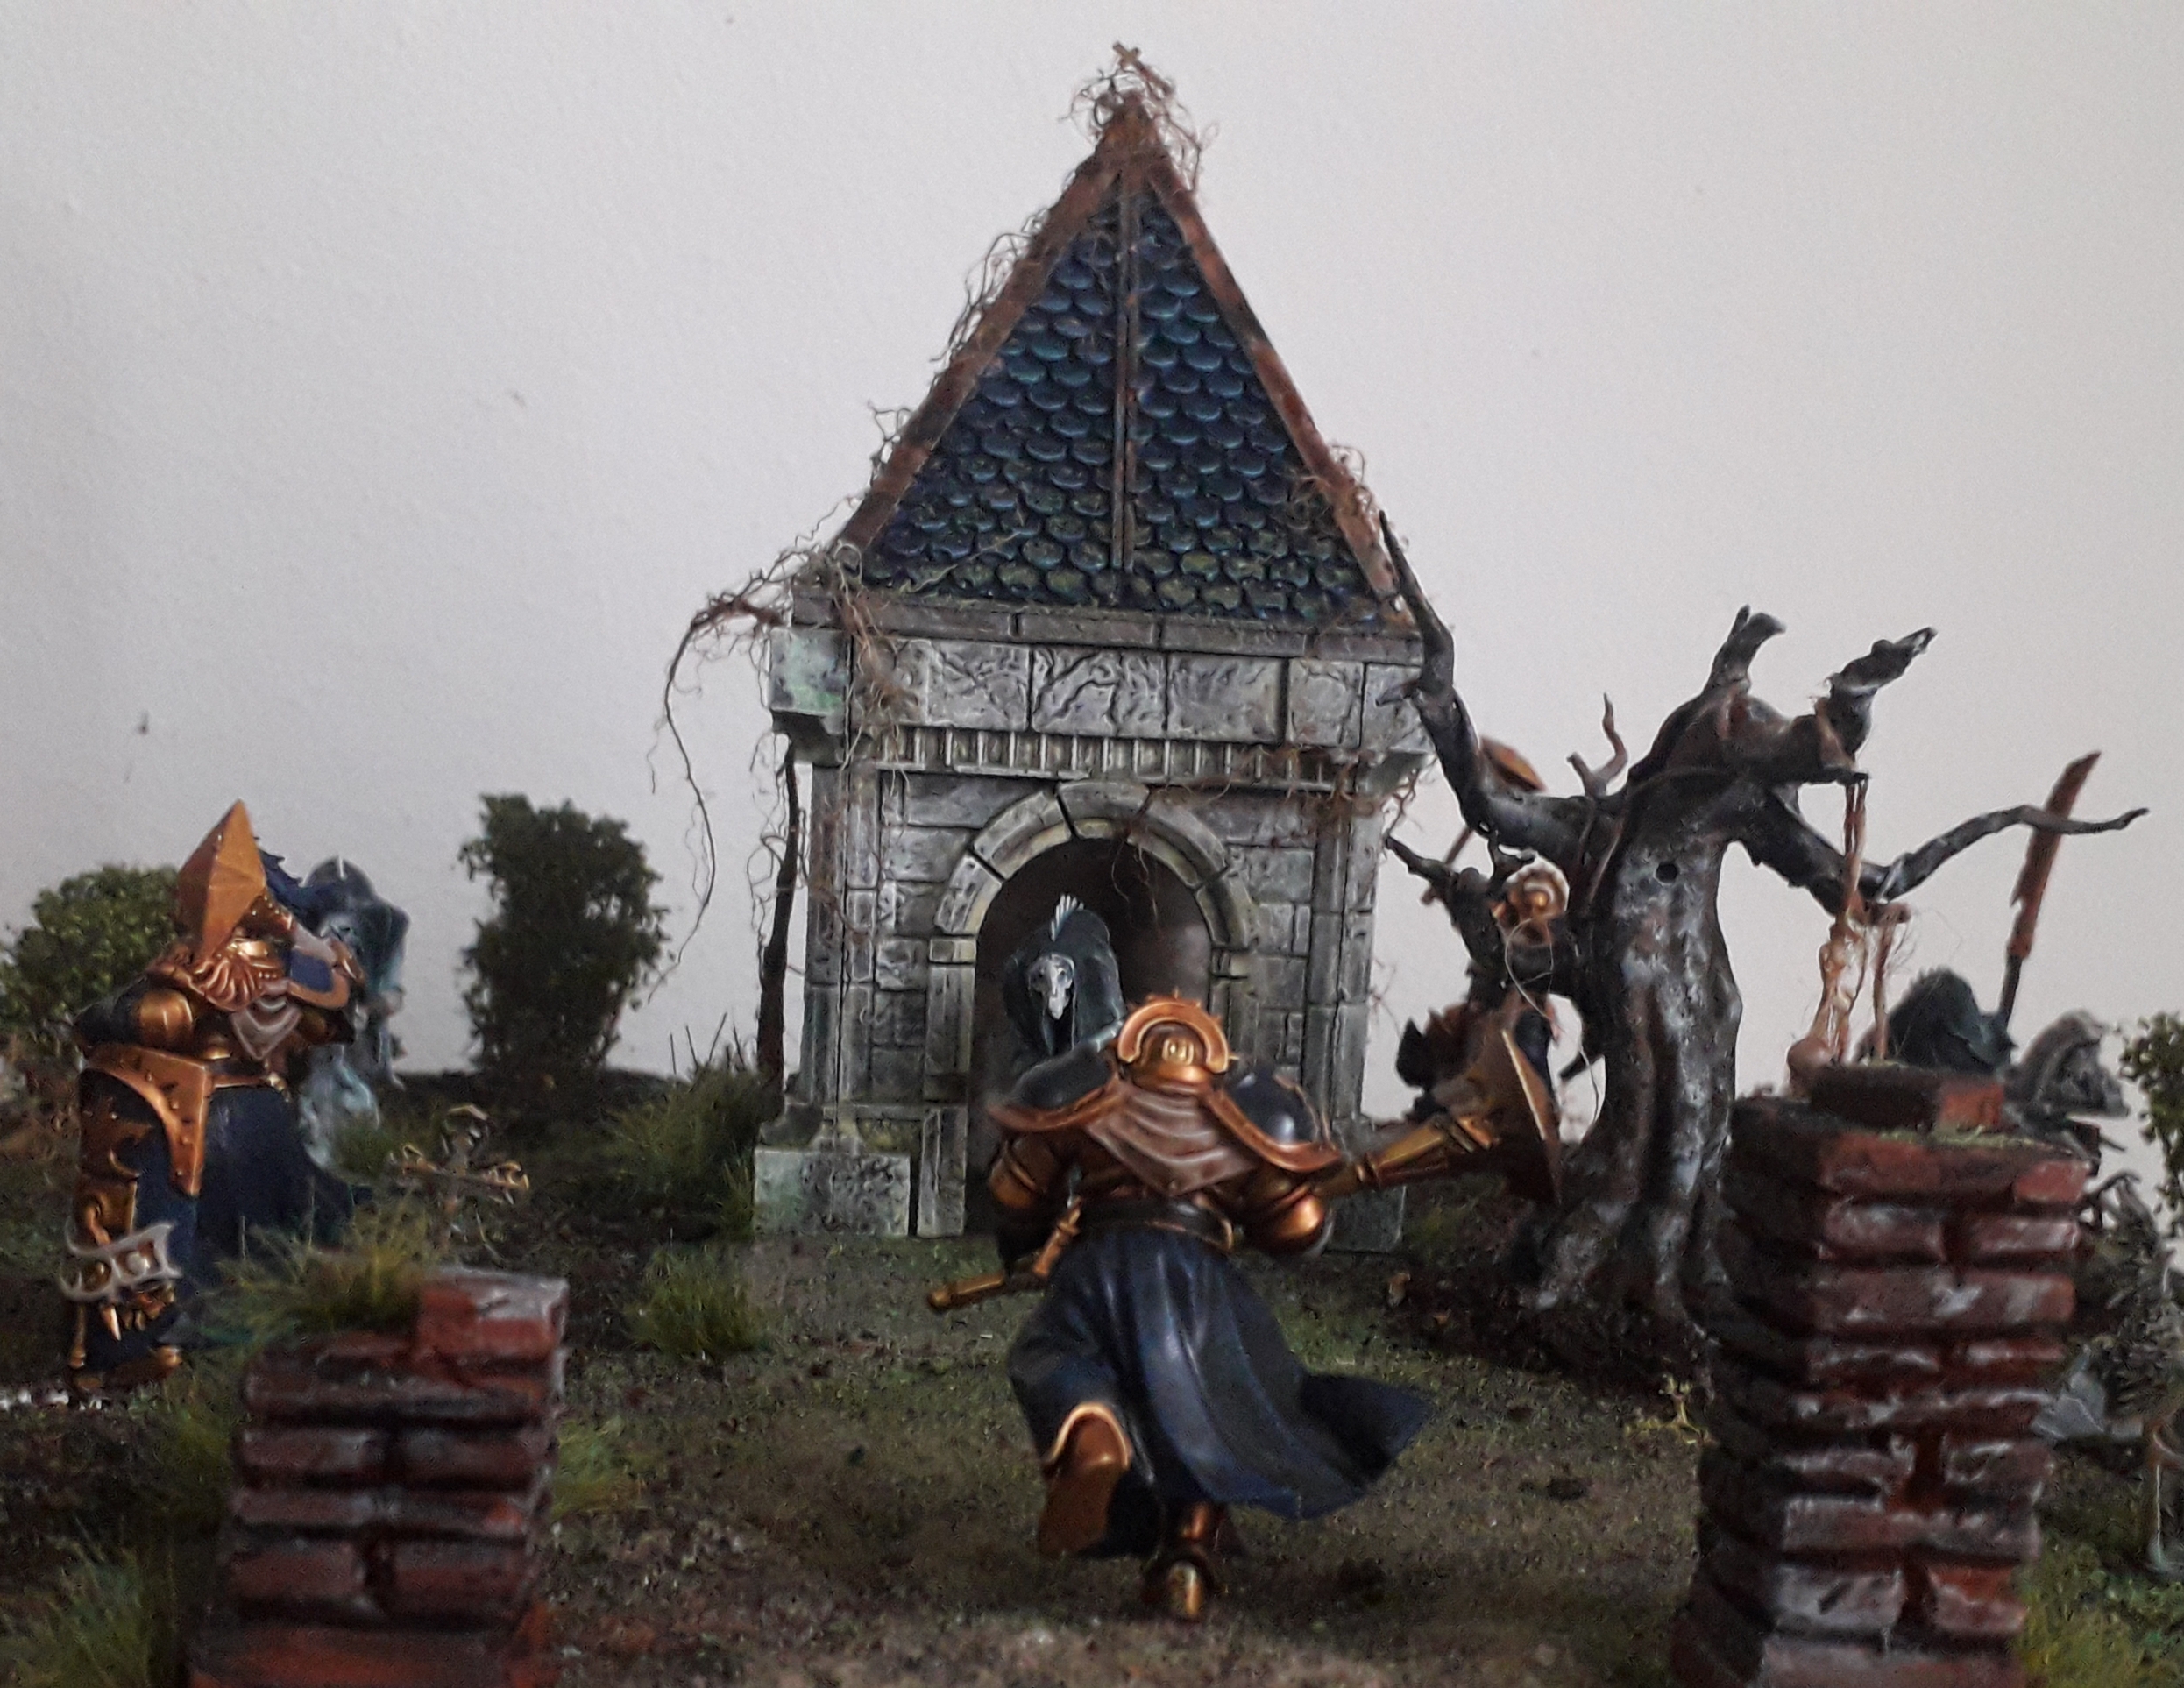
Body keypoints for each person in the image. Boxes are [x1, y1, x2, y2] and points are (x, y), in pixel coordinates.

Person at [985, 996, 1430, 1619]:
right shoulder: (1258, 1109)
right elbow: (1294, 1231)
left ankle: (1087, 1428)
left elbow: (1014, 1191)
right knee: (1210, 1408)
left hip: (1097, 1263)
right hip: (1199, 1281)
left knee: (1055, 1354)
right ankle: (1187, 1555)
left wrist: (1031, 1237)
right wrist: (1301, 1202)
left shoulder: (1078, 1086)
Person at [64, 802, 362, 1391]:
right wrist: (316, 951)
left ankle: (166, 1333)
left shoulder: (191, 967)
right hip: (210, 1119)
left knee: (262, 1234)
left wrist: (305, 944)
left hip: (231, 1118)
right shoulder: (255, 969)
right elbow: (334, 1003)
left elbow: (328, 1016)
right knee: (188, 1240)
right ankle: (146, 1338)